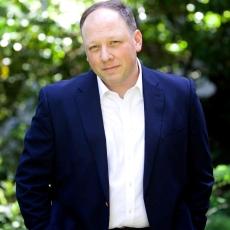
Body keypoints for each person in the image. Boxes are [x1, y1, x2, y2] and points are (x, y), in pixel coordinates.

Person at [15, 0, 214, 229]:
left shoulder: (180, 94)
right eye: (94, 47)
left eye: (114, 42)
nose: (105, 56)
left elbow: (200, 176)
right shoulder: (57, 102)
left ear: (136, 40)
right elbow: (30, 182)